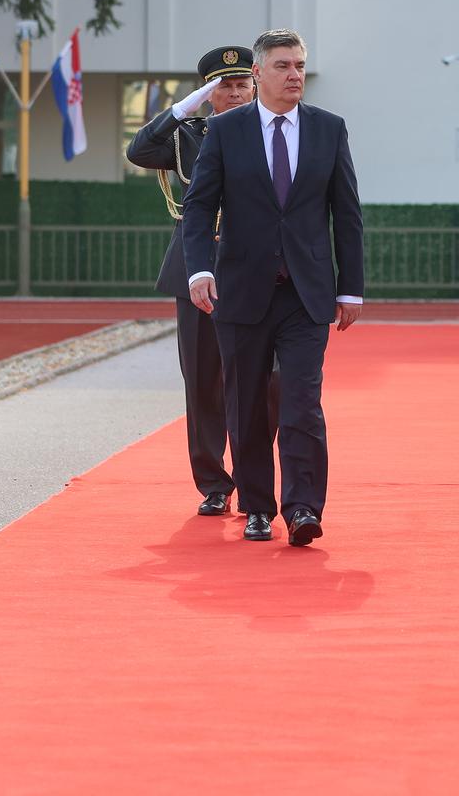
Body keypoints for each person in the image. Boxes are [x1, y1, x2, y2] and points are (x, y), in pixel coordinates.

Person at [183, 29, 365, 546]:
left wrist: (350, 288)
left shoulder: (329, 129)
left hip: (306, 294)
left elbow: (346, 213)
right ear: (258, 73)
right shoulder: (227, 131)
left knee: (302, 403)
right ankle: (258, 505)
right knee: (244, 405)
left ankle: (304, 507)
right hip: (241, 292)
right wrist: (200, 269)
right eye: (284, 66)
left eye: (301, 66)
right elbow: (199, 207)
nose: (295, 75)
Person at [126, 46, 269, 517]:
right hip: (197, 260)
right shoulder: (190, 135)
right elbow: (140, 150)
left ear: (254, 85)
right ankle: (212, 481)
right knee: (203, 376)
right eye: (221, 88)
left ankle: (254, 475)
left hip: (255, 264)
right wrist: (182, 108)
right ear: (208, 96)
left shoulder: (271, 131)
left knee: (264, 378)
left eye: (239, 85)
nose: (232, 94)